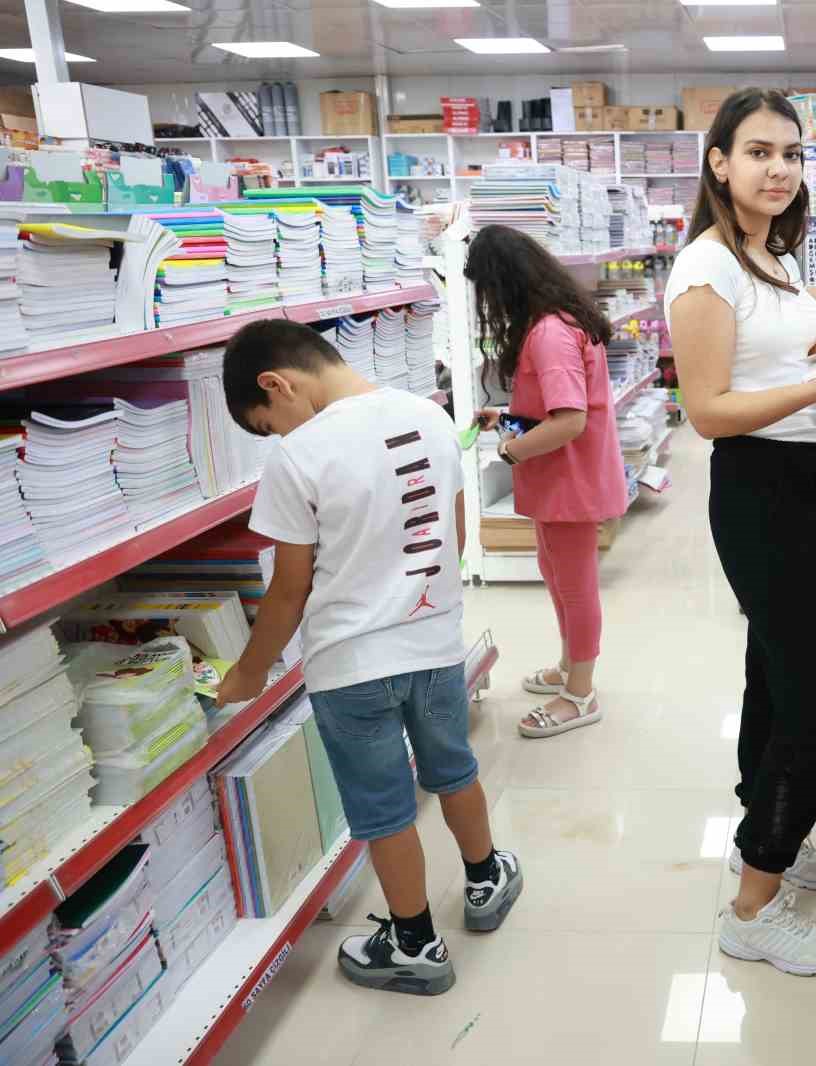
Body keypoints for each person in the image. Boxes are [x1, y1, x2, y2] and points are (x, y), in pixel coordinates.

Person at [214, 319, 523, 996]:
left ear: (277, 384)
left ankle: (414, 943)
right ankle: (485, 878)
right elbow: (456, 531)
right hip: (435, 644)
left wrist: (249, 669)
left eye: (270, 423)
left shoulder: (296, 460)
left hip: (349, 670)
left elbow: (290, 588)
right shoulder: (430, 416)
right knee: (453, 770)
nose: (278, 437)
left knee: (384, 810)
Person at [663, 88, 816, 977]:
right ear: (719, 161)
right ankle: (751, 909)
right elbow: (709, 414)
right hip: (760, 488)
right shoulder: (706, 269)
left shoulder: (776, 260)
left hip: (813, 474)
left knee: (775, 674)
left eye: (792, 155)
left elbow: (792, 372)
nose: (779, 170)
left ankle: (773, 836)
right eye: (758, 152)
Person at [466, 224, 628, 738]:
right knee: (557, 575)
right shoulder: (558, 321)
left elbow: (570, 421)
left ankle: (580, 693)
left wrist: (511, 448)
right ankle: (569, 665)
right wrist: (507, 417)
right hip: (563, 477)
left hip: (569, 482)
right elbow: (553, 412)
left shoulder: (549, 334)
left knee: (575, 587)